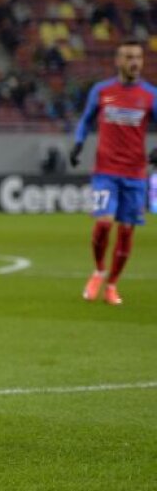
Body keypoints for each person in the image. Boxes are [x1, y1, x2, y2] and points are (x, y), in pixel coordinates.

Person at [69, 39, 156, 305]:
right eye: (129, 57)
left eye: (138, 58)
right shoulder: (102, 90)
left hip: (135, 173)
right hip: (105, 170)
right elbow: (85, 120)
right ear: (118, 61)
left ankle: (113, 285)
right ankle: (98, 270)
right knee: (104, 222)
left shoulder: (150, 94)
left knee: (127, 230)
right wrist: (78, 143)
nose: (134, 63)